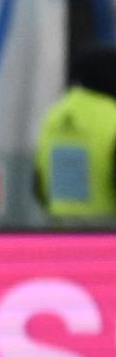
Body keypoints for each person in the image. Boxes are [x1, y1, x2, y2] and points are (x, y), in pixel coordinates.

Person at [35, 47, 116, 226]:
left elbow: (39, 184)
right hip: (107, 233)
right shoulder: (112, 116)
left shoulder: (54, 115)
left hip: (62, 231)